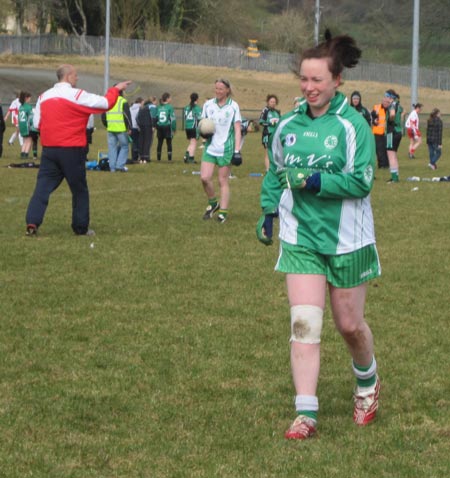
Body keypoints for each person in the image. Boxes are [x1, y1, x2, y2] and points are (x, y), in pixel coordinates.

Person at [256, 31, 380, 440]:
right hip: (301, 237)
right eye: (304, 81)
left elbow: (361, 182)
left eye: (317, 81)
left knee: (349, 325)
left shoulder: (353, 125)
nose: (309, 88)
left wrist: (312, 180)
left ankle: (367, 382)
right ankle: (305, 414)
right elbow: (276, 170)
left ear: (336, 81)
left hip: (348, 240)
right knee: (304, 324)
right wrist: (268, 209)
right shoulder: (287, 125)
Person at [25, 64, 130, 236]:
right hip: (71, 149)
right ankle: (80, 227)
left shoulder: (44, 97)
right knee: (79, 189)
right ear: (67, 77)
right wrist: (116, 89)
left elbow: (37, 124)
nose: (77, 78)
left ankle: (32, 221)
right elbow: (105, 103)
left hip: (50, 150)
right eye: (75, 75)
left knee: (42, 188)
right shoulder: (77, 95)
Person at [200, 78, 242, 223]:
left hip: (226, 149)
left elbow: (237, 129)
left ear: (227, 90)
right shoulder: (208, 105)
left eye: (221, 89)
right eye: (216, 88)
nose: (218, 91)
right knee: (204, 178)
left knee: (222, 180)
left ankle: (223, 212)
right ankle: (213, 203)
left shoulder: (233, 106)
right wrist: (203, 132)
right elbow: (203, 123)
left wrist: (237, 150)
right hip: (210, 147)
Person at [102, 89, 132, 172]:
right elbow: (127, 116)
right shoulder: (123, 101)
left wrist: (107, 125)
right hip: (121, 128)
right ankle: (119, 165)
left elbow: (103, 116)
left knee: (112, 148)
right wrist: (129, 127)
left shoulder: (109, 101)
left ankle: (112, 168)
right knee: (124, 146)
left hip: (111, 128)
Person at [385, 89, 404, 183]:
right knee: (394, 154)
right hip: (398, 131)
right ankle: (396, 176)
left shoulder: (392, 105)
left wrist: (390, 120)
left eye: (386, 96)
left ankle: (394, 178)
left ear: (390, 97)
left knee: (390, 154)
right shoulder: (398, 105)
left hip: (392, 132)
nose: (385, 98)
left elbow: (392, 114)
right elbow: (403, 113)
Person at [259, 94, 281, 172]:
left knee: (277, 152)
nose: (273, 103)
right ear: (268, 102)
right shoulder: (265, 111)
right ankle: (268, 170)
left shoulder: (277, 112)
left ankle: (276, 168)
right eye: (271, 101)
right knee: (268, 152)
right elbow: (261, 122)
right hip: (267, 134)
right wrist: (270, 124)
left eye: (274, 102)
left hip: (276, 135)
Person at [371, 94, 390, 168]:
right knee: (379, 150)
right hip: (378, 132)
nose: (386, 103)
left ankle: (387, 164)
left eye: (387, 102)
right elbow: (372, 118)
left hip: (387, 132)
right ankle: (382, 165)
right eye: (385, 102)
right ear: (382, 101)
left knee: (387, 149)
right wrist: (374, 121)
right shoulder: (377, 107)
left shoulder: (390, 109)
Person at [156, 92, 176, 162]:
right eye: (170, 98)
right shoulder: (170, 107)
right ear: (167, 99)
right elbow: (173, 119)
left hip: (160, 126)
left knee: (159, 143)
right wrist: (174, 128)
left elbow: (156, 117)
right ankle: (169, 159)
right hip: (167, 126)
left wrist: (157, 126)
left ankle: (158, 159)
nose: (171, 99)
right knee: (169, 143)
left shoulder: (158, 107)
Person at [183, 92, 202, 164]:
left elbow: (185, 117)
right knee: (194, 143)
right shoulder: (197, 108)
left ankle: (186, 156)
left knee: (191, 142)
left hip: (187, 127)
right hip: (193, 127)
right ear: (197, 99)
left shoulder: (186, 107)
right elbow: (199, 118)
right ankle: (191, 158)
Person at [136, 98, 155, 163]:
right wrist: (153, 125)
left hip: (141, 126)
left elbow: (137, 117)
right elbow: (153, 116)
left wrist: (139, 125)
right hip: (148, 125)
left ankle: (141, 157)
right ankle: (146, 158)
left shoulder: (141, 108)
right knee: (147, 141)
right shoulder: (151, 107)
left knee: (142, 141)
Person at [17, 91, 33, 159]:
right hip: (27, 126)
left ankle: (22, 153)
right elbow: (31, 118)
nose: (30, 99)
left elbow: (19, 117)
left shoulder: (21, 107)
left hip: (22, 126)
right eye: (30, 98)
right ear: (26, 98)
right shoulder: (29, 107)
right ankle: (26, 155)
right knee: (29, 140)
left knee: (24, 141)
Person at [130, 97, 143, 162]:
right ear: (140, 102)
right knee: (137, 142)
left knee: (133, 142)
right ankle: (136, 157)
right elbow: (138, 118)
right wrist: (139, 127)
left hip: (130, 127)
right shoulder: (139, 109)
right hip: (136, 127)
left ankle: (133, 156)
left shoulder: (130, 108)